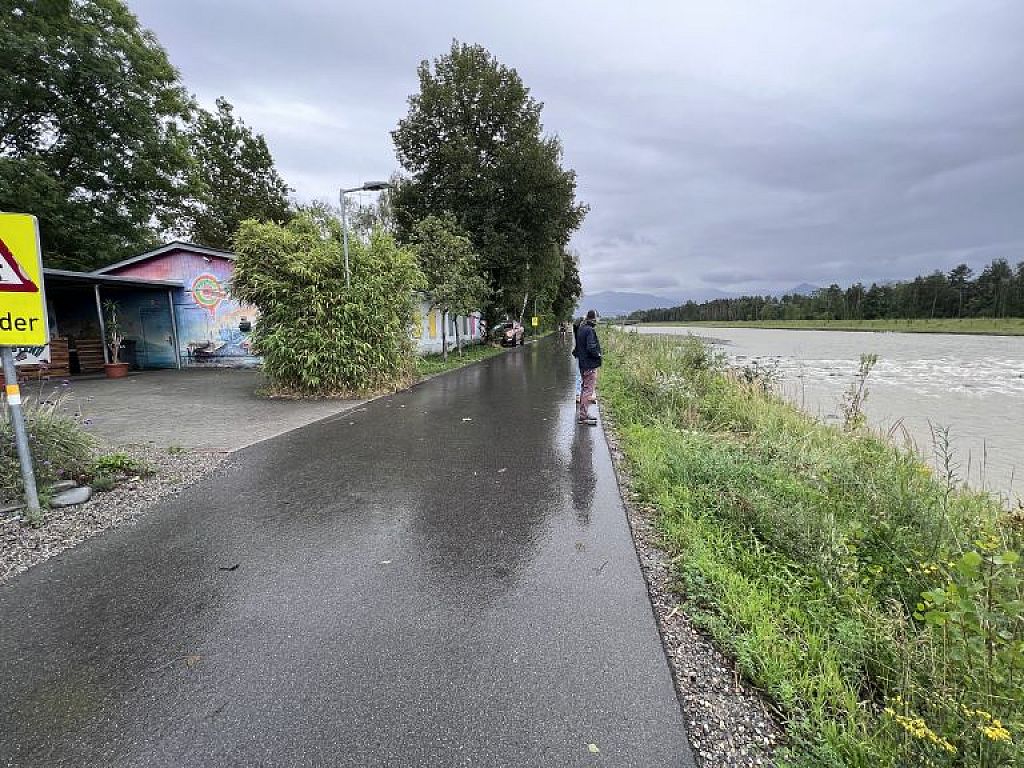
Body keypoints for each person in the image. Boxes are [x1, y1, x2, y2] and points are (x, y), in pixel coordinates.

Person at [575, 310, 602, 425]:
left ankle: (584, 414)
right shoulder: (590, 330)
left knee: (584, 388)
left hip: (582, 363)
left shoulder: (581, 328)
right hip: (589, 364)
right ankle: (583, 417)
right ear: (594, 318)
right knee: (588, 390)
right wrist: (598, 354)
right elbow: (591, 347)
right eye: (597, 317)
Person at [571, 316, 583, 402]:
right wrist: (582, 318)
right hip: (580, 354)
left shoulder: (585, 330)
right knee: (579, 374)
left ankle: (582, 394)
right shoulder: (577, 330)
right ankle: (578, 394)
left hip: (582, 354)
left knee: (583, 375)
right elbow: (575, 324)